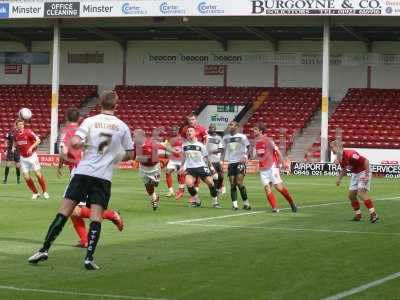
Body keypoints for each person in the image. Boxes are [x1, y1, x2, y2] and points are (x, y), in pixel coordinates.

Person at [28, 91, 134, 270]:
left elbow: (76, 141)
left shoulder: (90, 121)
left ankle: (44, 249)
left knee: (64, 212)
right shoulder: (122, 126)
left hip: (83, 173)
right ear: (116, 106)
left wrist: (76, 143)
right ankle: (89, 258)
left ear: (100, 104)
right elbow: (130, 155)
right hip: (103, 177)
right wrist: (115, 155)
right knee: (96, 218)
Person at [58, 107, 124, 248]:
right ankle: (84, 240)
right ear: (79, 119)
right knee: (73, 210)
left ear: (66, 118)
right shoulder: (87, 129)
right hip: (93, 169)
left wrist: (62, 162)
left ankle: (111, 215)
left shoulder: (67, 132)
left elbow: (63, 152)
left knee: (70, 209)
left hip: (79, 172)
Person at [252, 123, 297, 213]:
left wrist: (283, 163)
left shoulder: (268, 140)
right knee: (267, 188)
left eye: (255, 129)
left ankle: (292, 203)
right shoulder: (256, 142)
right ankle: (274, 208)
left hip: (272, 167)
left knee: (278, 187)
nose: (253, 131)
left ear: (260, 131)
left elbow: (277, 151)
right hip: (263, 169)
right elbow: (259, 155)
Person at [331, 140, 379, 223]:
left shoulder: (351, 154)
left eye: (332, 147)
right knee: (351, 195)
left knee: (361, 193)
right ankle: (358, 215)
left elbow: (366, 161)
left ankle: (374, 214)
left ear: (337, 147)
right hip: (355, 173)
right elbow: (344, 169)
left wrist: (367, 176)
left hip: (363, 171)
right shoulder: (339, 158)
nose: (331, 149)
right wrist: (339, 179)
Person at [180, 126, 220, 208]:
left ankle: (215, 202)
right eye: (187, 131)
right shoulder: (184, 145)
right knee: (189, 183)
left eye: (191, 131)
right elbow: (184, 157)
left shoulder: (201, 145)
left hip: (201, 167)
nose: (189, 132)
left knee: (210, 183)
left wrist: (211, 167)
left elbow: (206, 157)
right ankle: (197, 200)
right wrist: (181, 166)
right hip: (190, 168)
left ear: (195, 133)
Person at [13, 119, 49, 199]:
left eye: (22, 124)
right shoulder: (15, 135)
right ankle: (36, 193)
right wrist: (13, 147)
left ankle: (45, 192)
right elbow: (15, 141)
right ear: (17, 126)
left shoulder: (28, 131)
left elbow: (38, 140)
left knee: (38, 174)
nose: (21, 126)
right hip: (23, 158)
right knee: (26, 177)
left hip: (32, 157)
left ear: (23, 125)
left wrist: (31, 147)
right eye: (19, 125)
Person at [223, 121, 251, 210]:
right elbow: (223, 149)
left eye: (231, 125)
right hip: (231, 163)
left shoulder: (242, 137)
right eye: (229, 125)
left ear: (236, 127)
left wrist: (246, 156)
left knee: (239, 182)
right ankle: (235, 205)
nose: (229, 126)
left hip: (240, 162)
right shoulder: (225, 137)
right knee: (232, 183)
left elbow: (248, 147)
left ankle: (246, 203)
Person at [164, 125, 185, 200]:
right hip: (172, 159)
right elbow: (166, 147)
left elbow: (185, 147)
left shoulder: (182, 138)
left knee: (180, 174)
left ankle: (180, 190)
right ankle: (171, 191)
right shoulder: (168, 138)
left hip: (181, 159)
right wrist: (173, 151)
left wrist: (180, 152)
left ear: (178, 130)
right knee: (167, 172)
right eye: (172, 130)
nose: (173, 132)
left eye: (174, 130)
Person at [206, 123, 225, 195]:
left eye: (212, 127)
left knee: (221, 176)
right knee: (215, 176)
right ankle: (214, 191)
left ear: (215, 128)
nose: (211, 129)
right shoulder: (206, 137)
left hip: (217, 160)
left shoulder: (219, 138)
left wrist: (213, 151)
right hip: (209, 161)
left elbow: (221, 149)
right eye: (210, 127)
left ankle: (217, 188)